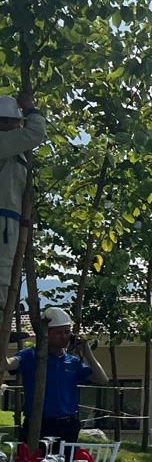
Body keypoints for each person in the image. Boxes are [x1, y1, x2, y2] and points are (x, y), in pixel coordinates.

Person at [7, 306, 109, 443]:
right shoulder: (30, 355)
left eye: (67, 332)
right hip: (38, 425)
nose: (64, 337)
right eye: (59, 333)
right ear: (46, 334)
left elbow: (102, 379)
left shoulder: (73, 362)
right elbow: (8, 365)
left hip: (67, 426)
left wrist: (87, 351)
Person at [0, 92, 45, 307]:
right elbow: (35, 133)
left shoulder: (10, 147)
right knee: (2, 269)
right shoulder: (3, 141)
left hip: (9, 216)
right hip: (3, 218)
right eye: (15, 121)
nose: (18, 126)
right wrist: (30, 108)